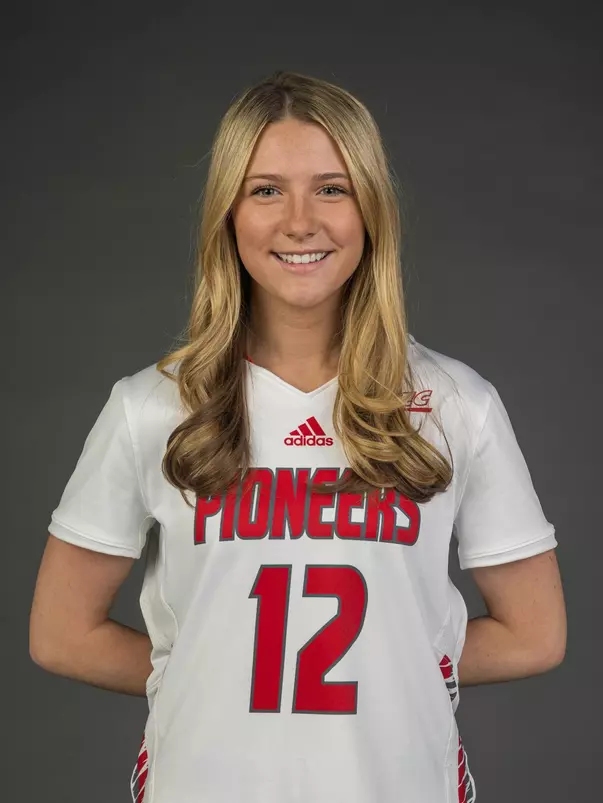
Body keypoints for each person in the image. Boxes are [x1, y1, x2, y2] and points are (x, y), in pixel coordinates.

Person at [30, 70, 566, 803]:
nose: (299, 221)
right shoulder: (151, 405)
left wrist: (394, 664)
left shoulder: (453, 402)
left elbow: (535, 634)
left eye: (331, 188)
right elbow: (61, 633)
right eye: (265, 190)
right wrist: (209, 675)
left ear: (370, 208)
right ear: (228, 213)